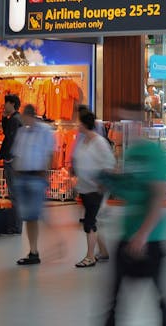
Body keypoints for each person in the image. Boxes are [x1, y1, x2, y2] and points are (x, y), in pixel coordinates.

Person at [101, 103, 166, 326]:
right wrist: (109, 180)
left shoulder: (153, 153)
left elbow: (158, 197)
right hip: (130, 234)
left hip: (152, 238)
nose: (124, 128)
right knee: (114, 298)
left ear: (141, 125)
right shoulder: (131, 152)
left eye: (129, 123)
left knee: (162, 298)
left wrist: (143, 235)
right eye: (121, 123)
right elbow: (132, 189)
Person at [12, 104, 55, 266]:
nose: (24, 120)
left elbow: (50, 153)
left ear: (31, 115)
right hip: (23, 177)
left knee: (37, 215)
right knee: (29, 217)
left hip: (37, 177)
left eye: (25, 117)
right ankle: (33, 251)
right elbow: (17, 153)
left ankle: (57, 242)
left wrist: (45, 174)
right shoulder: (22, 132)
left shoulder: (45, 131)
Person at [72, 108, 114, 268]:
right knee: (94, 221)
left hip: (95, 188)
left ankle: (90, 256)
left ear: (84, 124)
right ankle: (103, 251)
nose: (77, 126)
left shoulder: (99, 142)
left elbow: (109, 163)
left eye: (79, 123)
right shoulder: (83, 141)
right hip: (85, 187)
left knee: (90, 222)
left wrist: (102, 184)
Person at [0, 94, 22, 206]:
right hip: (15, 157)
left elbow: (9, 137)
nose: (4, 105)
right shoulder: (16, 118)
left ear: (12, 104)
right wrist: (4, 118)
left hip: (12, 158)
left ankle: (15, 213)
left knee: (12, 185)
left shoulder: (15, 119)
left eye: (6, 103)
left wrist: (9, 157)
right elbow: (7, 133)